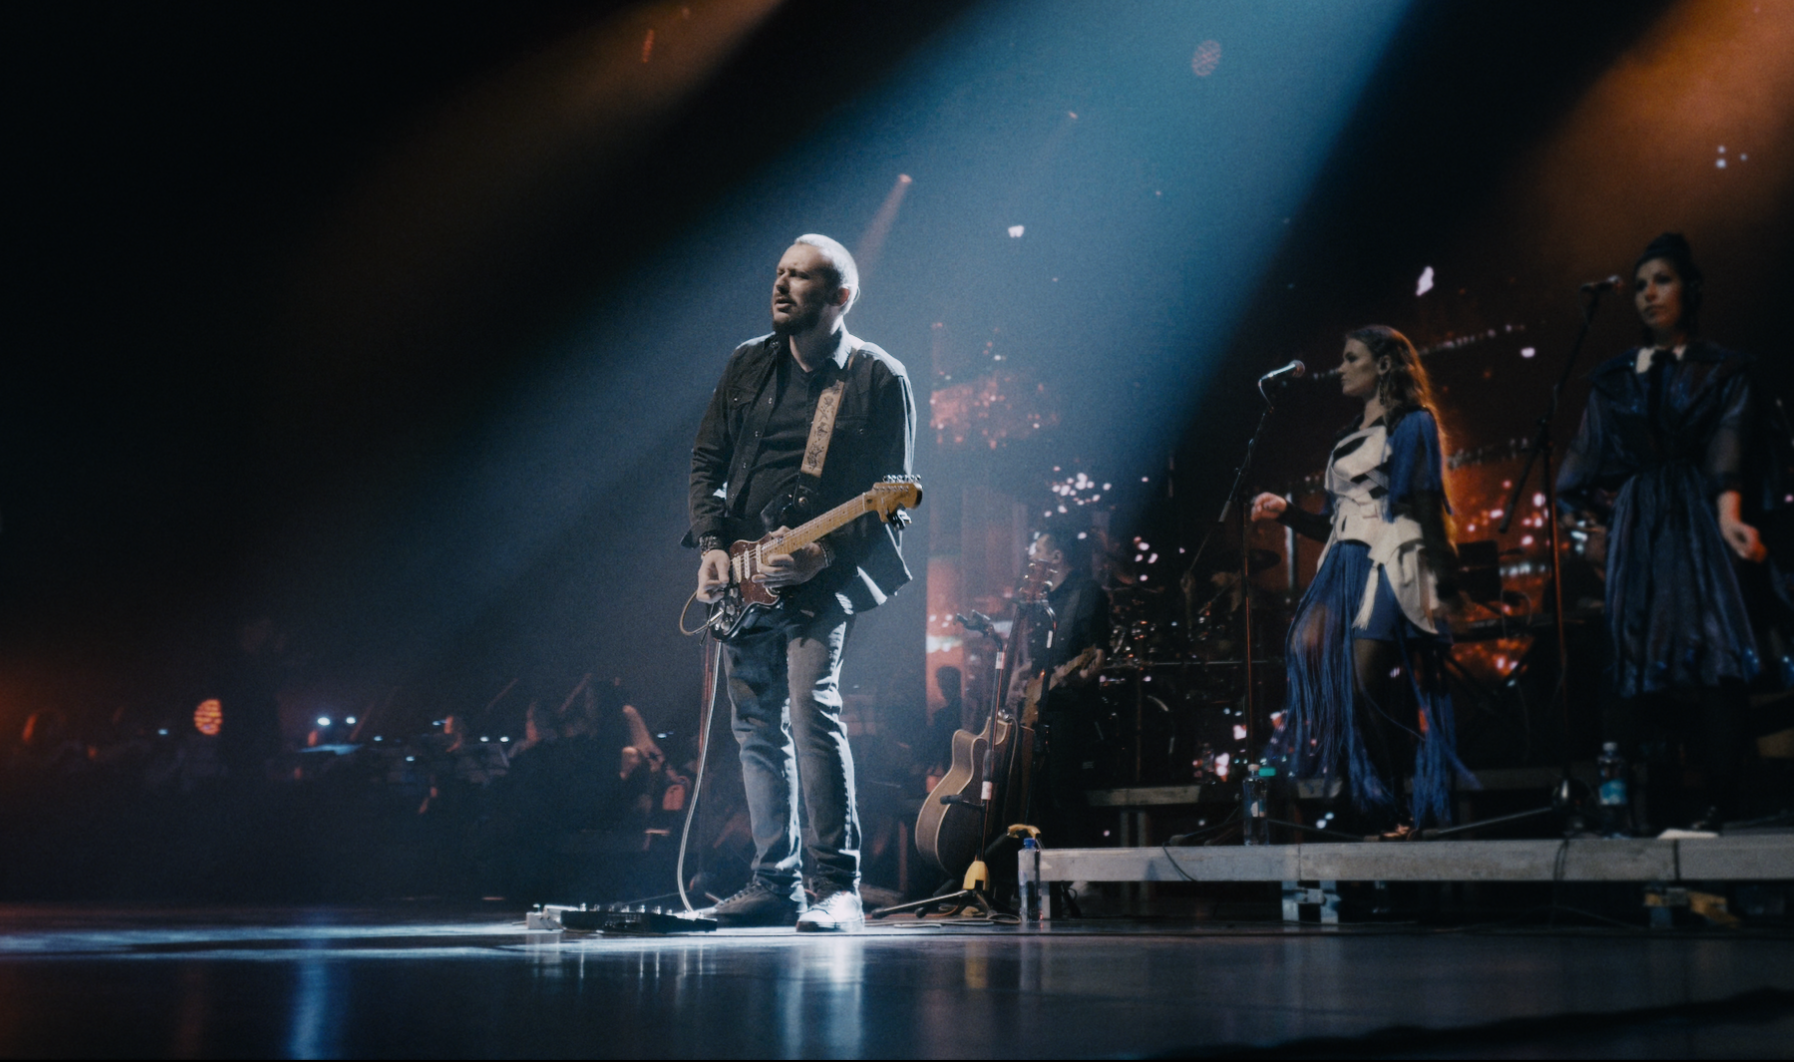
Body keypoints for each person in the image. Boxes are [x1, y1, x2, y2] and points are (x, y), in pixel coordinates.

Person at [688, 234, 916, 930]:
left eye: (801, 277)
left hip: (822, 580)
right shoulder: (748, 362)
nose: (781, 285)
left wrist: (823, 554)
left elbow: (893, 502)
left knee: (811, 706)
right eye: (779, 271)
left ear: (840, 296)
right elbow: (707, 461)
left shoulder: (878, 377)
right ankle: (774, 882)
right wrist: (713, 546)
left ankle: (837, 887)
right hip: (744, 573)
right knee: (755, 725)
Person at [1558, 232, 1764, 830]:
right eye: (1641, 285)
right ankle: (1620, 807)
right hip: (1637, 521)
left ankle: (1722, 801)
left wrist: (1729, 515)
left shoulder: (1720, 368)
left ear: (1689, 289)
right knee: (1630, 653)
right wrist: (1587, 534)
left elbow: (1728, 442)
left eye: (1663, 281)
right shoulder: (1615, 378)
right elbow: (1582, 461)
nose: (1649, 294)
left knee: (1715, 648)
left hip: (1695, 517)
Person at [1251, 325, 1466, 834]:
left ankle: (1391, 806)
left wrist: (1447, 582)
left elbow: (1424, 500)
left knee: (1363, 682)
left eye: (1352, 358)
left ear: (1384, 364)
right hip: (1344, 561)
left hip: (1389, 555)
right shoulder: (1346, 434)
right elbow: (1334, 522)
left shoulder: (1412, 422)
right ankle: (1363, 794)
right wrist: (1287, 513)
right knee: (1311, 652)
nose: (1341, 368)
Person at [1024, 530, 1109, 846]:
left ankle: (1083, 863)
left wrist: (1081, 676)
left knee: (1064, 787)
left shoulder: (1086, 592)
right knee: (1039, 791)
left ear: (1057, 557)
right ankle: (1052, 864)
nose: (1032, 557)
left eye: (1038, 550)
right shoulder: (1044, 599)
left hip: (1070, 708)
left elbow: (1096, 654)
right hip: (1041, 707)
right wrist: (1024, 675)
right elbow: (1042, 657)